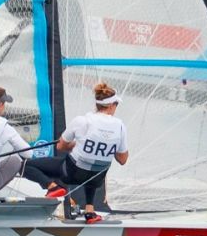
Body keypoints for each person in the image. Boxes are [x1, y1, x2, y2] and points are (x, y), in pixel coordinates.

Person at [23, 82, 129, 222]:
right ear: (110, 105)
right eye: (116, 104)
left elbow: (61, 146)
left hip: (71, 174)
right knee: (95, 166)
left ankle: (52, 187)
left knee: (25, 165)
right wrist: (109, 145)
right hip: (96, 179)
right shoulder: (120, 126)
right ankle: (90, 211)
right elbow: (122, 160)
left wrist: (75, 145)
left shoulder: (82, 120)